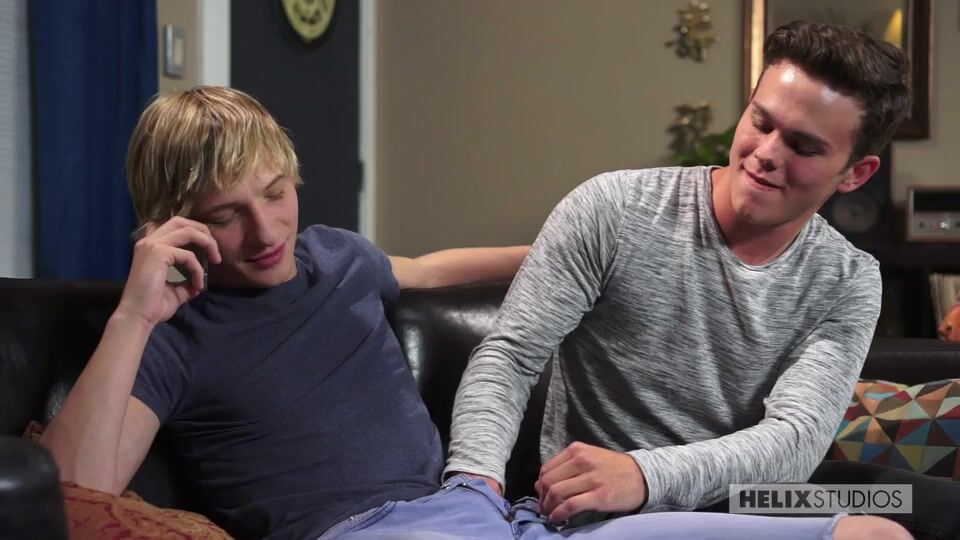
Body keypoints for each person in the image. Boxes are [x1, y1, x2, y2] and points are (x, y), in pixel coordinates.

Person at [39, 87, 905, 540]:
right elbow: (71, 495)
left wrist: (579, 249)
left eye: (274, 193)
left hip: (522, 519)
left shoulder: (337, 258)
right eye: (226, 215)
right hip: (417, 525)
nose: (266, 233)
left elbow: (427, 269)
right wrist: (133, 315)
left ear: (852, 173)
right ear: (176, 223)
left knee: (884, 521)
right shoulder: (172, 335)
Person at [447, 19, 921, 538]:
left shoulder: (849, 278)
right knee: (872, 534)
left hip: (751, 498)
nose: (766, 153)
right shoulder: (614, 209)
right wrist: (473, 486)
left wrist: (645, 474)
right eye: (761, 122)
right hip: (608, 513)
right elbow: (509, 357)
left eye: (803, 147)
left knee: (915, 505)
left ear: (855, 173)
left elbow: (797, 438)